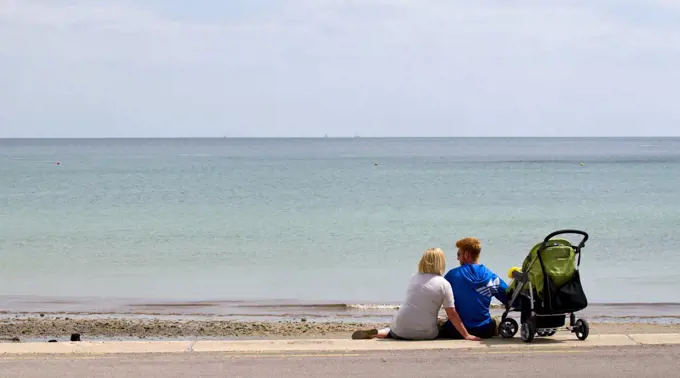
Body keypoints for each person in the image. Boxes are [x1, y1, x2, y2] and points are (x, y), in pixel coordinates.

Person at [352, 248, 480, 341]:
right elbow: (452, 314)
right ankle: (387, 332)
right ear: (441, 263)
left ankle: (379, 332)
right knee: (442, 323)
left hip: (400, 328)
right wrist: (466, 335)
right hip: (426, 334)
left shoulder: (414, 277)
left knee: (394, 330)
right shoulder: (444, 283)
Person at [439, 237, 508, 339]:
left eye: (459, 254)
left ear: (466, 255)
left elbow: (437, 298)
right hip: (485, 330)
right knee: (495, 321)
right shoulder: (490, 276)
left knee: (439, 322)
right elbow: (508, 297)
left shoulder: (452, 276)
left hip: (455, 331)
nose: (458, 258)